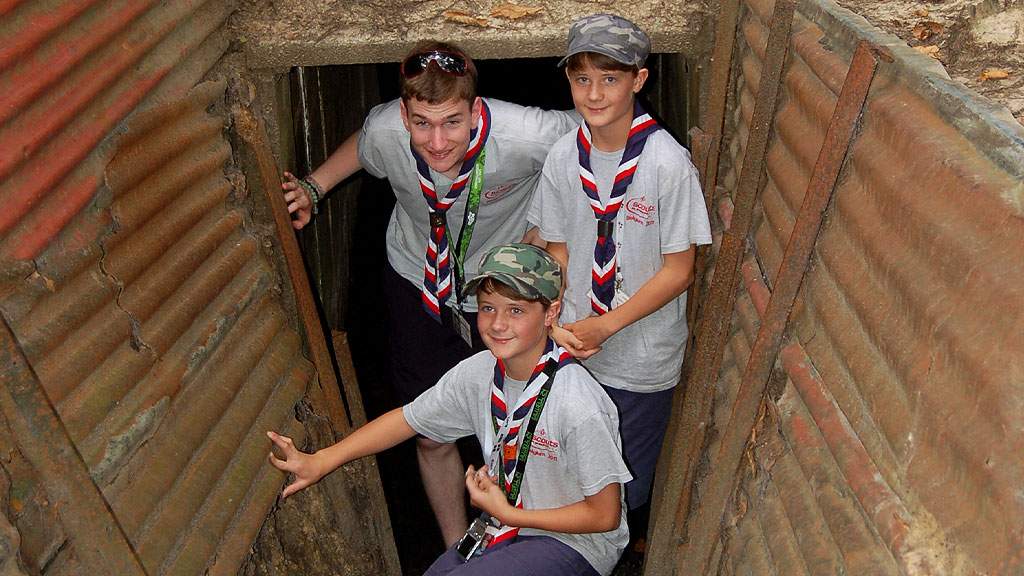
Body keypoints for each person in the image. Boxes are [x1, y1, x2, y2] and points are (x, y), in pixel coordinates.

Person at [281, 41, 580, 544]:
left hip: (503, 296)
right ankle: (456, 550)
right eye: (421, 122)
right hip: (417, 284)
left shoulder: (526, 134)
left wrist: (553, 227)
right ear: (404, 113)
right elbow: (362, 146)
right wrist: (315, 188)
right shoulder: (387, 129)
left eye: (452, 122)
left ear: (476, 110)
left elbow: (601, 129)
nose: (437, 142)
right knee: (428, 432)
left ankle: (528, 538)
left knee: (525, 425)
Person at [268, 244, 631, 576]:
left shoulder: (577, 402)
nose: (498, 324)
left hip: (575, 543)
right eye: (488, 308)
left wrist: (509, 513)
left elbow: (604, 515)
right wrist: (323, 460)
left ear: (551, 312)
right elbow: (408, 419)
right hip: (505, 527)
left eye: (516, 310)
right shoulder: (478, 373)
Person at [528, 14, 713, 513]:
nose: (594, 94)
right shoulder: (564, 157)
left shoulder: (666, 163)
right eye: (582, 78)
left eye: (610, 78)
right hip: (573, 348)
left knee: (621, 497)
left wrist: (606, 327)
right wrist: (552, 316)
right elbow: (559, 248)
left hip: (640, 359)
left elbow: (680, 270)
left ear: (639, 79)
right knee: (567, 479)